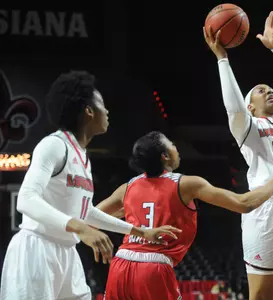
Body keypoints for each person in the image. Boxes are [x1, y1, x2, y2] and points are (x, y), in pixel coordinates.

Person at [0, 71, 179, 300]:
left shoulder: (82, 158)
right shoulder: (53, 145)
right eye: (102, 105)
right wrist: (81, 228)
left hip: (67, 252)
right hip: (36, 249)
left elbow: (85, 212)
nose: (107, 111)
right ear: (88, 111)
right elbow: (26, 199)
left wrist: (141, 231)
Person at [96, 131, 273, 300]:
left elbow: (91, 214)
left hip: (120, 264)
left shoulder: (128, 187)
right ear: (164, 156)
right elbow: (244, 204)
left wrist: (94, 235)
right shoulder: (186, 184)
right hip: (153, 267)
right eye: (171, 144)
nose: (176, 147)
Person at [204, 11, 273, 300]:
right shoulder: (248, 128)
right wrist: (222, 59)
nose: (270, 92)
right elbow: (234, 109)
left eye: (271, 89)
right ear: (251, 107)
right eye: (261, 91)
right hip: (267, 211)